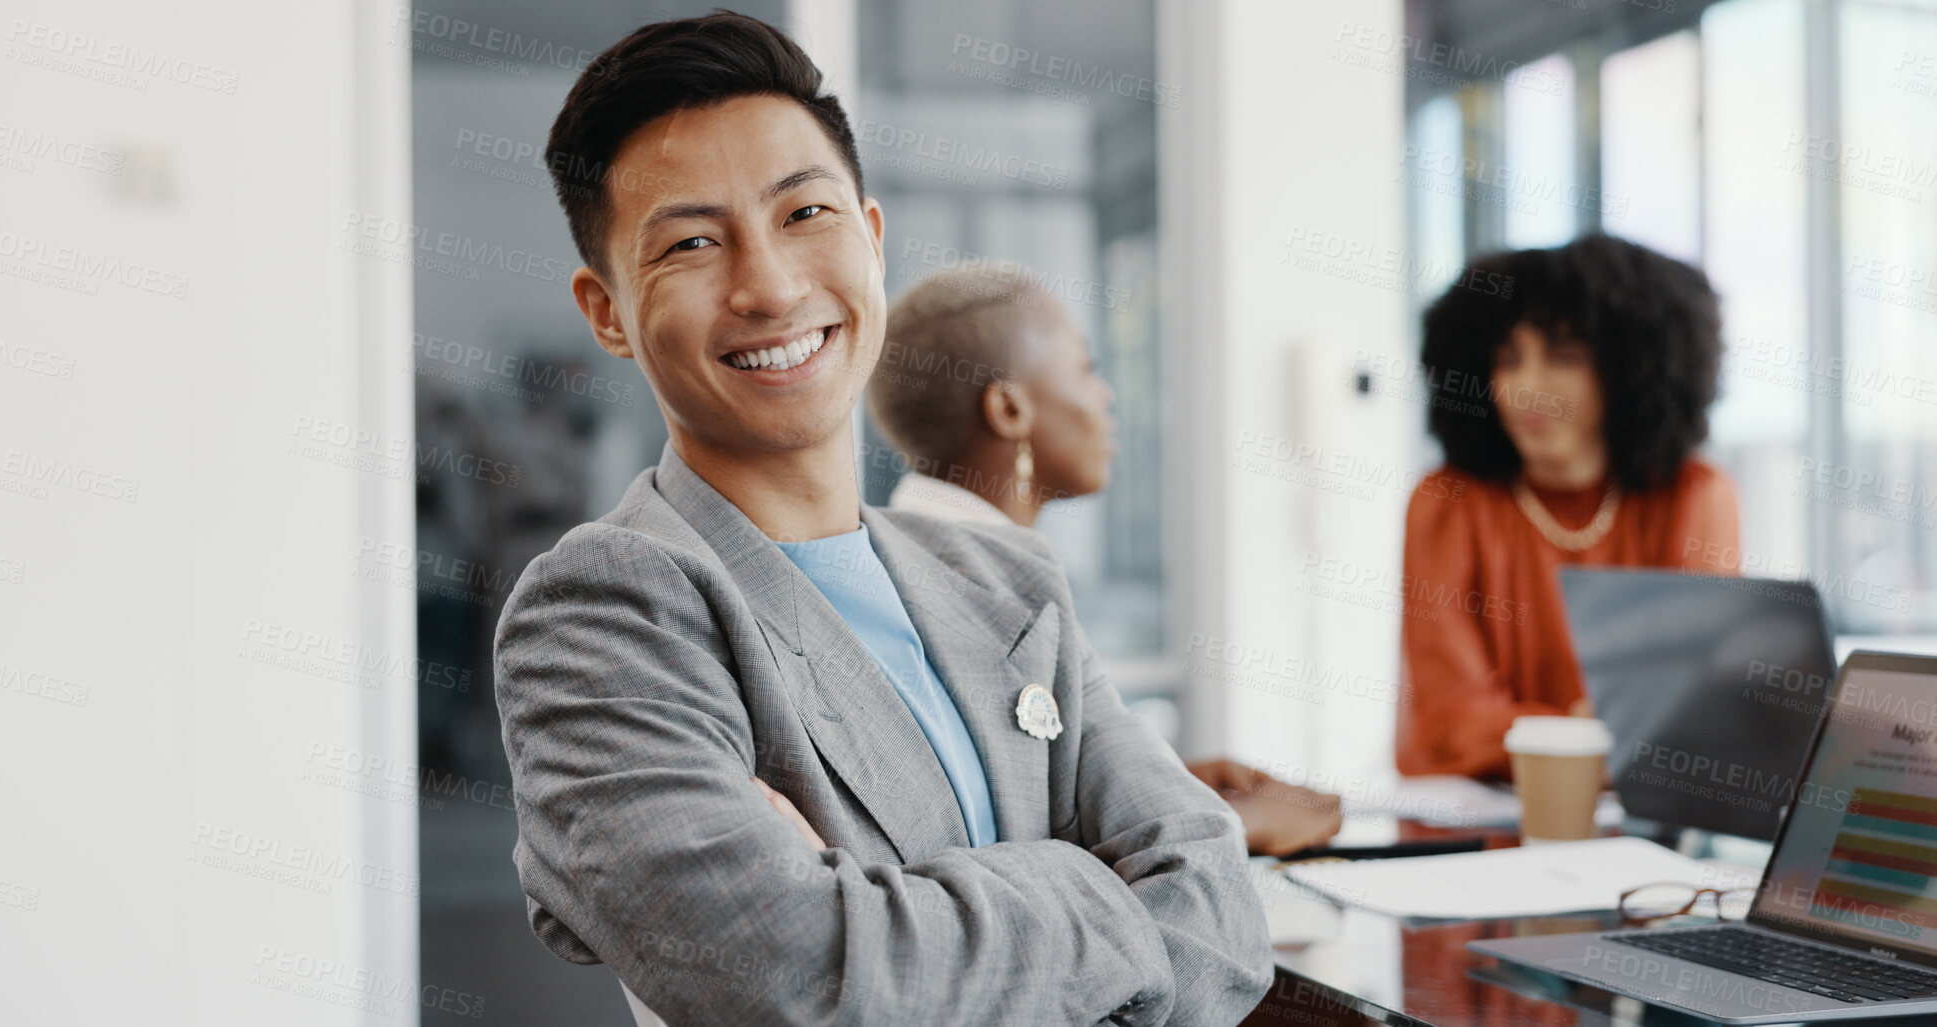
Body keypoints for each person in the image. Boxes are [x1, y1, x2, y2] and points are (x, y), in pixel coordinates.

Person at [492, 13, 1273, 1026]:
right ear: (608, 312)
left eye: (805, 214)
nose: (770, 286)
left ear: (870, 235)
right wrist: (1090, 881)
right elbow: (794, 973)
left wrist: (891, 911)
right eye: (692, 242)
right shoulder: (601, 612)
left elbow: (1218, 913)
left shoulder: (1004, 581)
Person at [870, 269, 1345, 855]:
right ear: (1010, 409)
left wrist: (1154, 780)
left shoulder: (936, 555)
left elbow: (1022, 782)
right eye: (1086, 369)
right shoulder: (964, 588)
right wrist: (1230, 826)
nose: (1106, 395)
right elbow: (1003, 840)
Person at [1395, 234, 1740, 780]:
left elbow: (1690, 703)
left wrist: (1559, 735)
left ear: (1629, 370)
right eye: (1507, 359)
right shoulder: (1448, 503)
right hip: (1472, 831)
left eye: (1564, 357)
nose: (1527, 388)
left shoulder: (1694, 494)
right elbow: (1449, 720)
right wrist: (1584, 735)